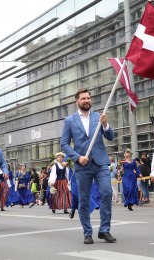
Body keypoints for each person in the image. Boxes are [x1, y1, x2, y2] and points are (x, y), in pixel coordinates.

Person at [60, 88, 116, 244]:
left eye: (88, 98)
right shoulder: (70, 120)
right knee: (84, 199)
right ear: (77, 101)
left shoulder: (99, 117)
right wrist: (77, 158)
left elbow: (110, 137)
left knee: (106, 193)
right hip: (82, 165)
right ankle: (87, 232)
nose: (87, 101)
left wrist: (105, 125)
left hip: (100, 162)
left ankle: (104, 230)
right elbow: (64, 144)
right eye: (83, 98)